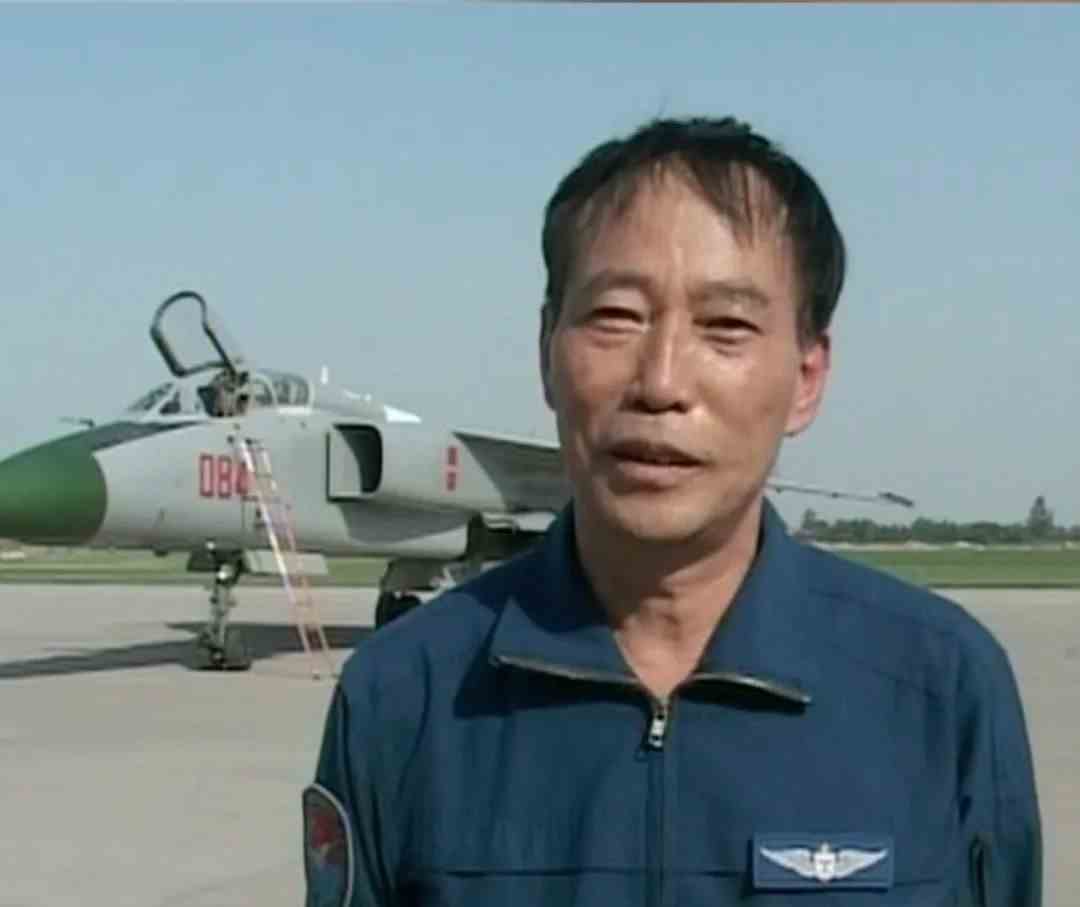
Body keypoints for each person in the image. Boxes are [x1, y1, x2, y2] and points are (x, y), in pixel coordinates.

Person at [303, 116, 1041, 906]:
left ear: (807, 377)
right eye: (615, 317)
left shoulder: (941, 691)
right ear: (547, 349)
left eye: (726, 327)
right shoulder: (403, 699)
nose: (660, 382)